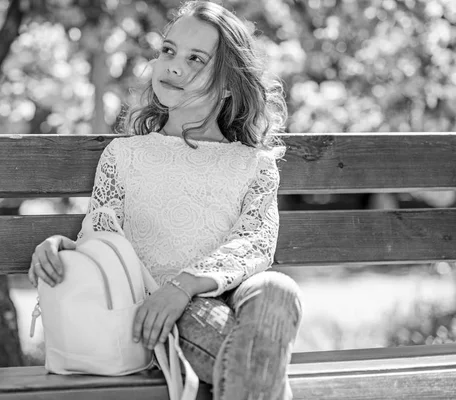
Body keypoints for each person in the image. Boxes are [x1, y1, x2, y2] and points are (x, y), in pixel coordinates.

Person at [28, 1, 302, 399]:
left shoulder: (254, 165)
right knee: (248, 349)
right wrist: (60, 249)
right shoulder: (126, 156)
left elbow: (257, 242)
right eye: (169, 51)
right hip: (159, 315)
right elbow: (101, 241)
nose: (173, 66)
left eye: (196, 59)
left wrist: (185, 285)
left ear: (228, 82)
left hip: (230, 296)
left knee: (278, 289)